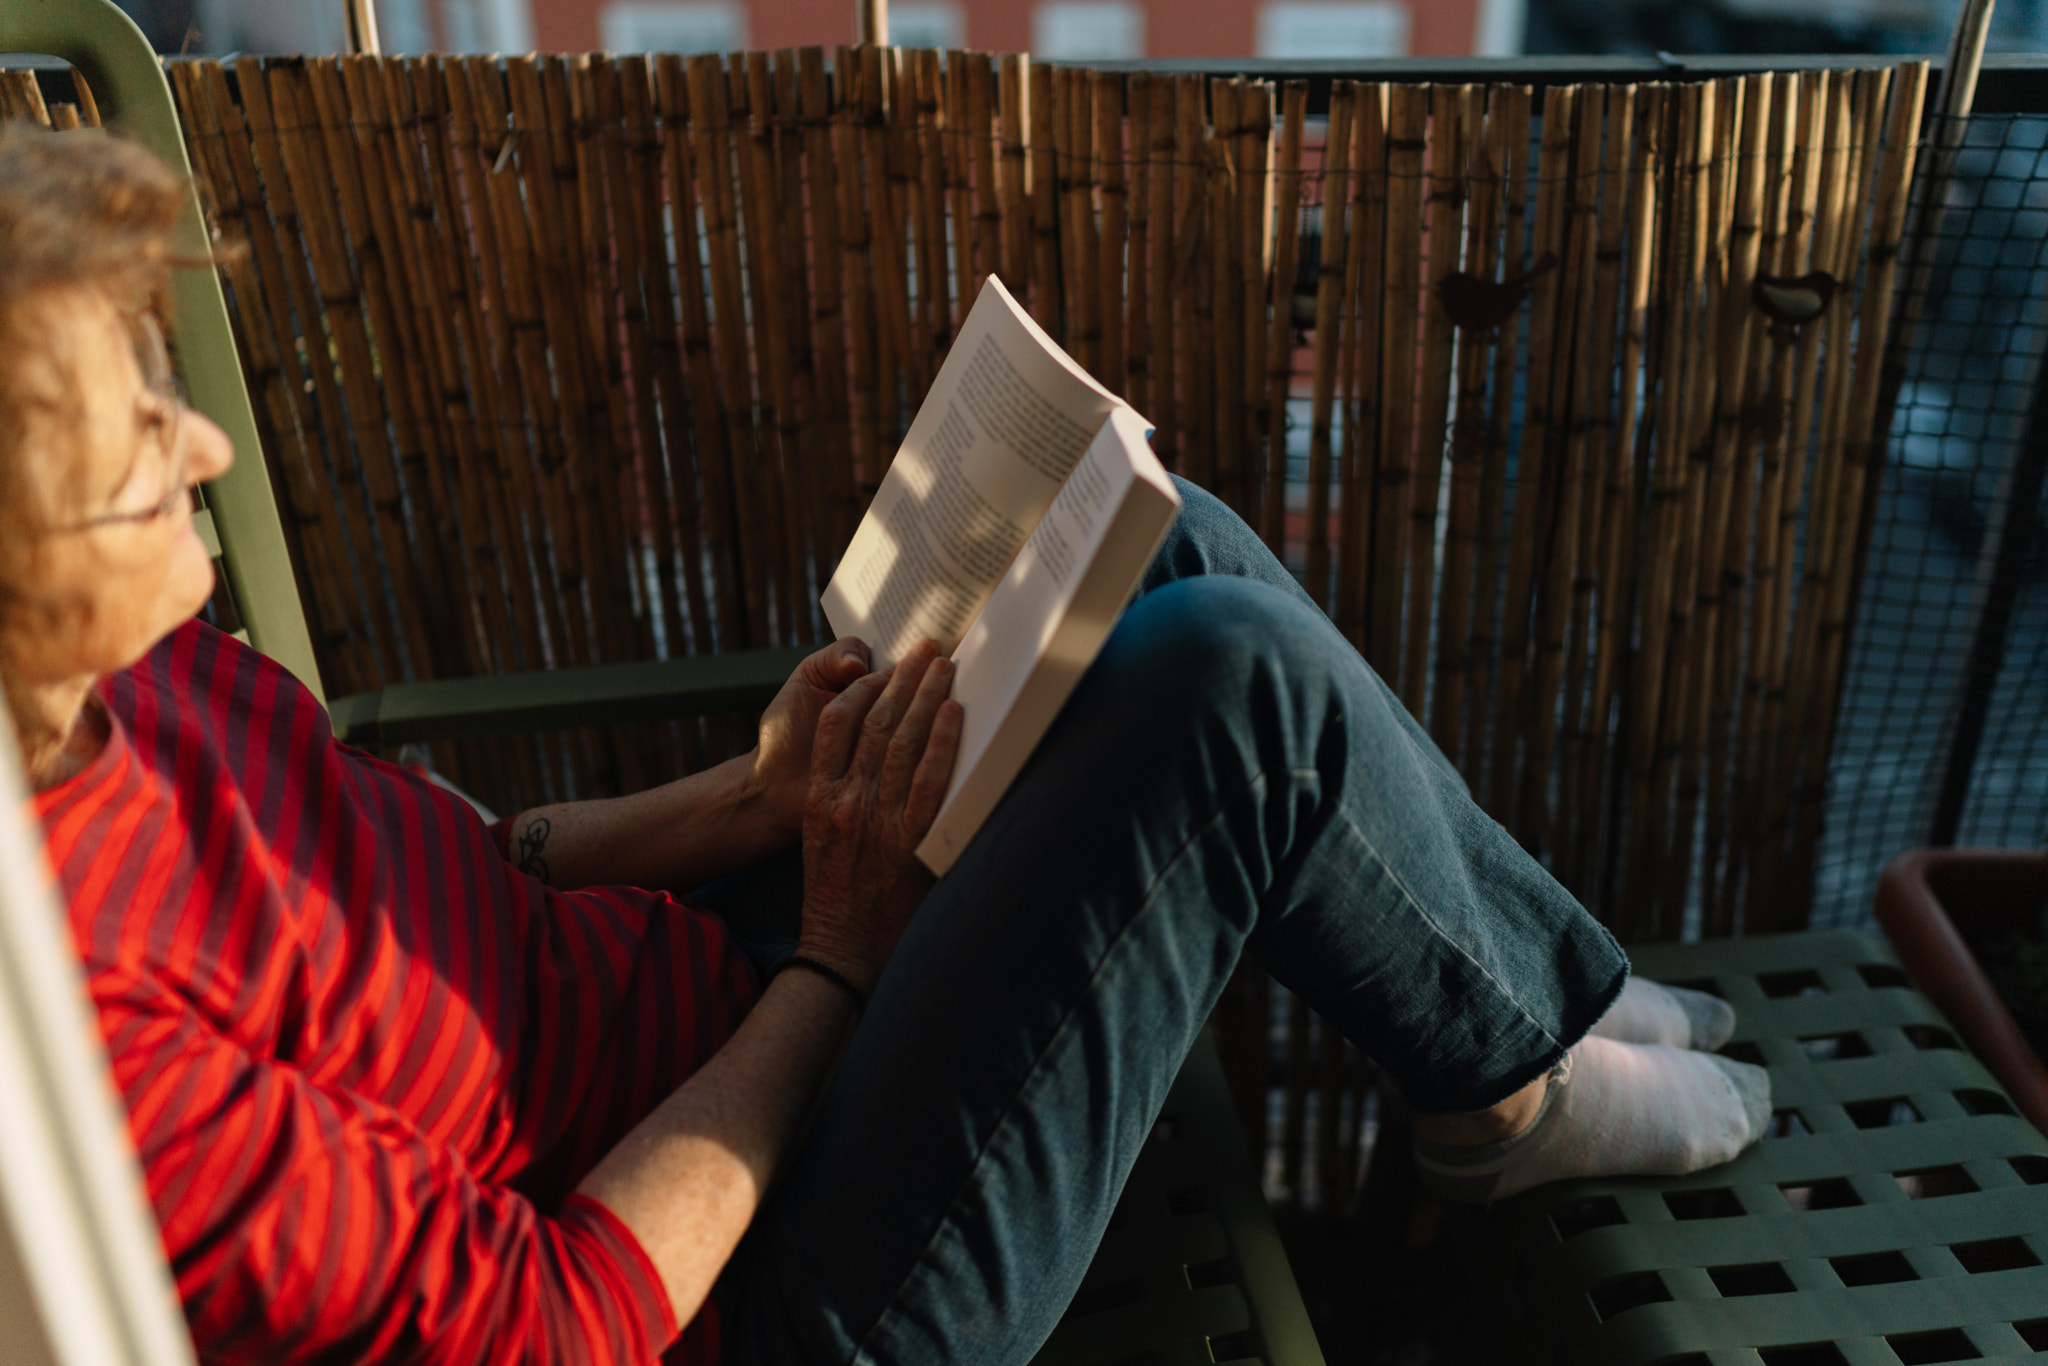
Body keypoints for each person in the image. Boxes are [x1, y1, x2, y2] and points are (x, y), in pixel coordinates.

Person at [0, 120, 1770, 1366]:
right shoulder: (81, 1065)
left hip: (724, 1011)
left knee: (1156, 541)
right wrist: (838, 957)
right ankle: (1509, 1088)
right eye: (139, 453)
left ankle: (1518, 1025)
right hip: (758, 1284)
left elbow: (466, 854)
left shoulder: (131, 684)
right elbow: (563, 1320)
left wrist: (757, 795)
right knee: (1225, 685)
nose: (205, 449)